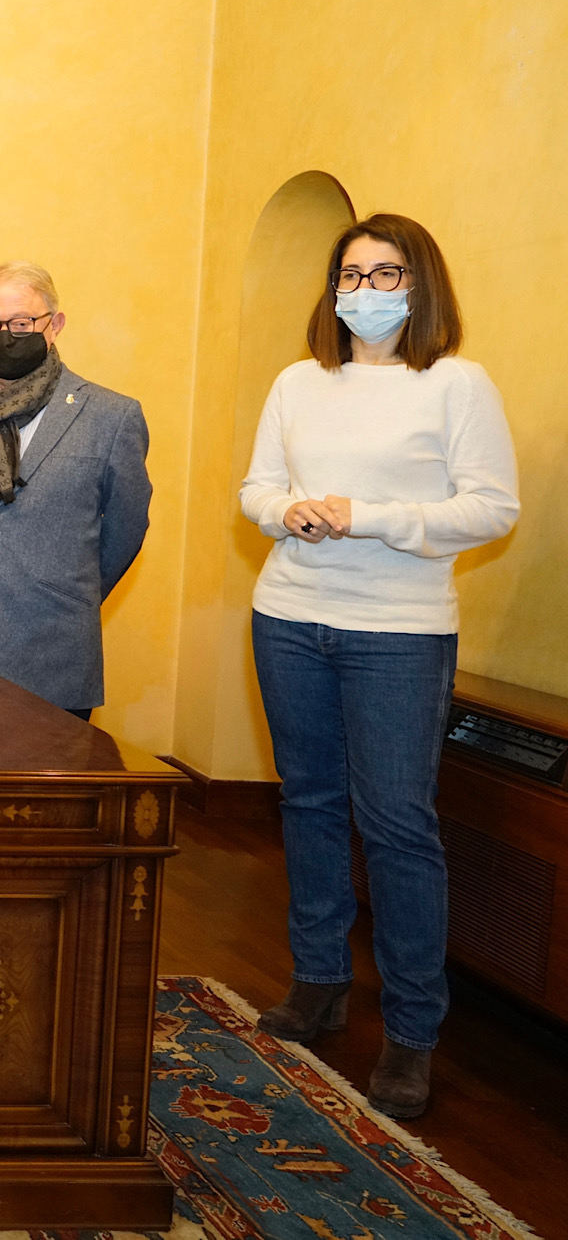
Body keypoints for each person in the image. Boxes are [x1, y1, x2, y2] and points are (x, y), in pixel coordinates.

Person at [240, 213, 518, 1120]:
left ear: (420, 283)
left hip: (398, 631)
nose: (365, 291)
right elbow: (256, 490)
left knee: (398, 825)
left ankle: (411, 1032)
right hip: (290, 617)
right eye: (350, 275)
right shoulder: (297, 381)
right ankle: (319, 981)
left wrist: (373, 515)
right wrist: (290, 513)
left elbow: (490, 509)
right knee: (310, 802)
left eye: (385, 272)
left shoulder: (456, 384)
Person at [0, 261, 151, 718]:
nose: (6, 336)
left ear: (54, 325)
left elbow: (126, 527)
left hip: (51, 653)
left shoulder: (111, 418)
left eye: (21, 324)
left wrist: (60, 589)